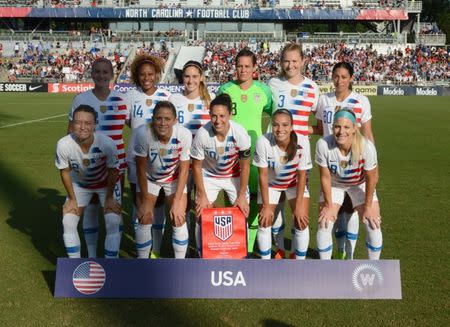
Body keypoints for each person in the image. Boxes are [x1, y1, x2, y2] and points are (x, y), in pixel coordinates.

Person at [315, 61, 375, 259]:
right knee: (333, 214)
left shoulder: (361, 101)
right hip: (331, 163)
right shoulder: (324, 100)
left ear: (350, 79)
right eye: (336, 76)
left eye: (343, 77)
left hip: (354, 164)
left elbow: (367, 133)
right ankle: (339, 252)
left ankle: (347, 255)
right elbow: (317, 128)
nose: (339, 80)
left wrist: (372, 163)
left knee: (351, 212)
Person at [69, 58, 128, 258]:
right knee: (92, 210)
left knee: (113, 215)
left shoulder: (122, 99)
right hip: (89, 167)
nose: (101, 75)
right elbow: (70, 133)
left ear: (111, 75)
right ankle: (93, 257)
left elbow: (136, 129)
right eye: (97, 71)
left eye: (105, 72)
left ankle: (112, 261)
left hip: (115, 167)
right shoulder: (80, 99)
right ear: (92, 74)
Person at [217, 49, 273, 255]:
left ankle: (247, 248)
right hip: (230, 155)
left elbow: (275, 116)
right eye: (239, 65)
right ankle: (233, 243)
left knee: (256, 199)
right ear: (235, 67)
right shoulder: (225, 89)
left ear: (254, 68)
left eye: (247, 66)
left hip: (257, 155)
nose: (243, 70)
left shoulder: (264, 91)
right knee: (233, 199)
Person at [268, 43, 320, 258]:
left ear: (303, 62)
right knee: (277, 203)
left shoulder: (312, 87)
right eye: (286, 61)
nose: (290, 65)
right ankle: (280, 248)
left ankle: (297, 256)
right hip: (273, 151)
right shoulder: (272, 83)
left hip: (300, 156)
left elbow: (322, 125)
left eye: (294, 61)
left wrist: (305, 128)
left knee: (298, 204)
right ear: (281, 62)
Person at [315, 109, 382, 260]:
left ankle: (374, 267)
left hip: (359, 184)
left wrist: (369, 206)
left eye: (346, 127)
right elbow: (325, 178)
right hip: (334, 185)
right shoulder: (323, 144)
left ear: (354, 129)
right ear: (332, 127)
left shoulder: (367, 147)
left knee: (373, 224)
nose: (341, 131)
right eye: (337, 126)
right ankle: (324, 269)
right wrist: (328, 204)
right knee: (324, 223)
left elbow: (371, 178)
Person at [56, 105, 122, 258]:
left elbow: (113, 171)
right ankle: (75, 265)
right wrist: (72, 199)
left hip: (106, 184)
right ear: (72, 124)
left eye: (88, 123)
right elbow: (65, 172)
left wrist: (110, 198)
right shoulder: (63, 144)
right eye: (78, 122)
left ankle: (111, 264)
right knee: (68, 221)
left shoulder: (107, 143)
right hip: (80, 184)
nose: (83, 127)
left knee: (112, 220)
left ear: (95, 125)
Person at [190, 94, 251, 256]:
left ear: (230, 115)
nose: (218, 120)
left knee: (242, 211)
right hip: (209, 176)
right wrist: (201, 195)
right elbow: (196, 167)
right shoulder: (202, 134)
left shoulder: (240, 133)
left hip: (234, 176)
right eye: (214, 116)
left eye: (222, 116)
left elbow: (245, 167)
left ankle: (240, 254)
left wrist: (242, 194)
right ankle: (201, 253)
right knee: (200, 214)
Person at [133, 101, 192, 259]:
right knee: (145, 216)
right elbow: (140, 168)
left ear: (175, 120)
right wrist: (145, 200)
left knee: (179, 217)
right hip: (150, 178)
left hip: (173, 178)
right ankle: (143, 262)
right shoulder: (142, 134)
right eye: (158, 118)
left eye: (167, 119)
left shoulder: (184, 135)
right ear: (152, 119)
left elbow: (185, 169)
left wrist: (178, 200)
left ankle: (180, 264)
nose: (162, 123)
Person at [126, 54, 171, 258]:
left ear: (157, 75)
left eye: (150, 74)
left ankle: (157, 250)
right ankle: (142, 250)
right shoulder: (130, 96)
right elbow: (128, 121)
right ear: (137, 75)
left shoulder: (165, 95)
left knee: (159, 205)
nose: (146, 78)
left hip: (160, 160)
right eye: (142, 74)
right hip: (136, 159)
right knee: (139, 204)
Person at [253, 109, 312, 259]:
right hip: (271, 185)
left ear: (292, 127)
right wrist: (266, 206)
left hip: (294, 184)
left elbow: (302, 176)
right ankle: (267, 261)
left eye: (285, 125)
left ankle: (299, 261)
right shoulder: (263, 141)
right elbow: (263, 176)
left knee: (301, 220)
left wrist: (298, 207)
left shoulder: (303, 141)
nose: (280, 130)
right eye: (276, 125)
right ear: (271, 126)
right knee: (265, 221)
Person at [169, 60, 212, 234]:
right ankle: (184, 250)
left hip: (204, 162)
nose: (190, 80)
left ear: (201, 78)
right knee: (182, 207)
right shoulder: (174, 99)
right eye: (187, 76)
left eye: (195, 76)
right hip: (182, 161)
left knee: (203, 206)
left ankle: (201, 249)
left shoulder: (210, 100)